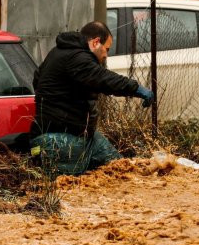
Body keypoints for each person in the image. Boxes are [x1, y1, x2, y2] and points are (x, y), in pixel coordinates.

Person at [30, 21, 153, 176]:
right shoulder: (77, 58)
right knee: (73, 185)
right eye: (106, 49)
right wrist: (137, 89)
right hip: (57, 138)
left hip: (82, 133)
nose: (106, 55)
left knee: (121, 169)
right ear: (96, 42)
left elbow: (37, 80)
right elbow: (104, 79)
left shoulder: (58, 53)